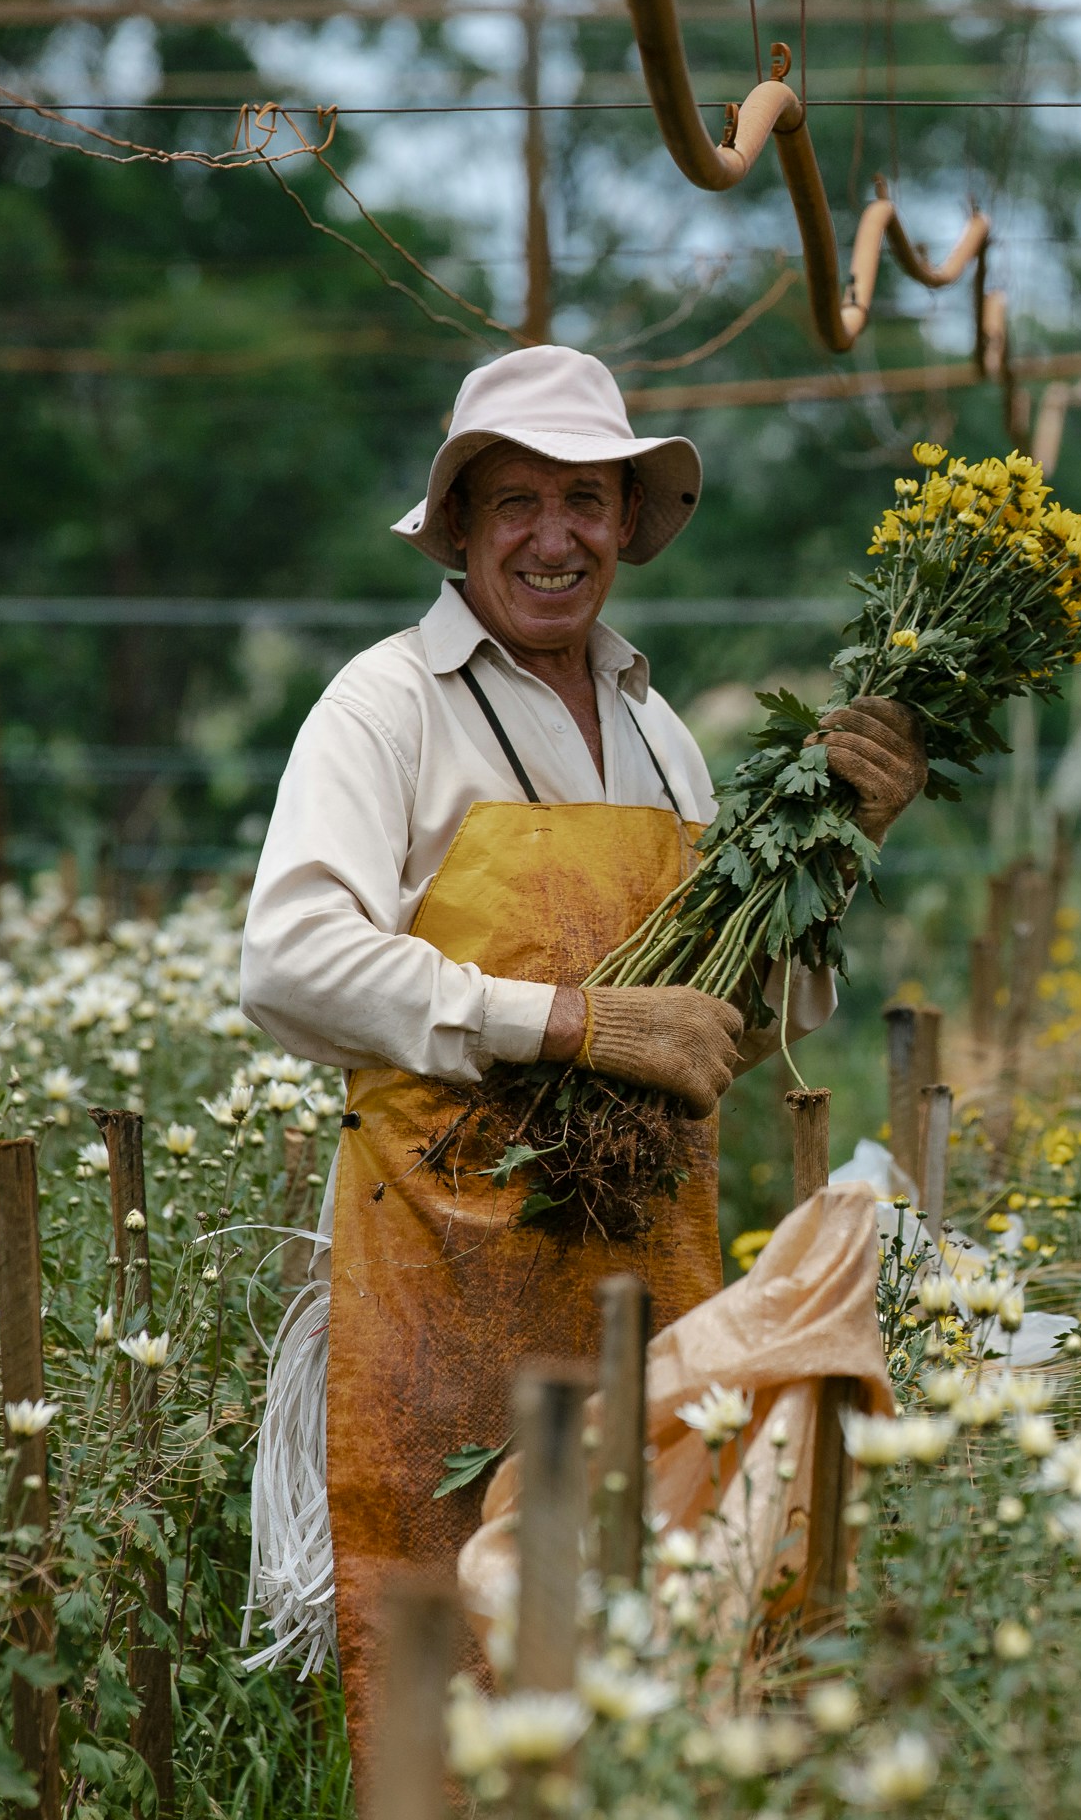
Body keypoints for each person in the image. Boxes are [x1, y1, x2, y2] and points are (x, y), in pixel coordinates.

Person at [238, 345, 928, 1761]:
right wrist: (566, 1022)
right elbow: (289, 964)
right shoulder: (387, 708)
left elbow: (739, 1024)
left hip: (643, 1283)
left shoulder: (665, 735)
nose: (554, 537)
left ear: (627, 521)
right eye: (515, 503)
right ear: (459, 527)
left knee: (642, 1670)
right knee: (445, 1679)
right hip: (438, 1286)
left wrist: (844, 847)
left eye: (586, 500)